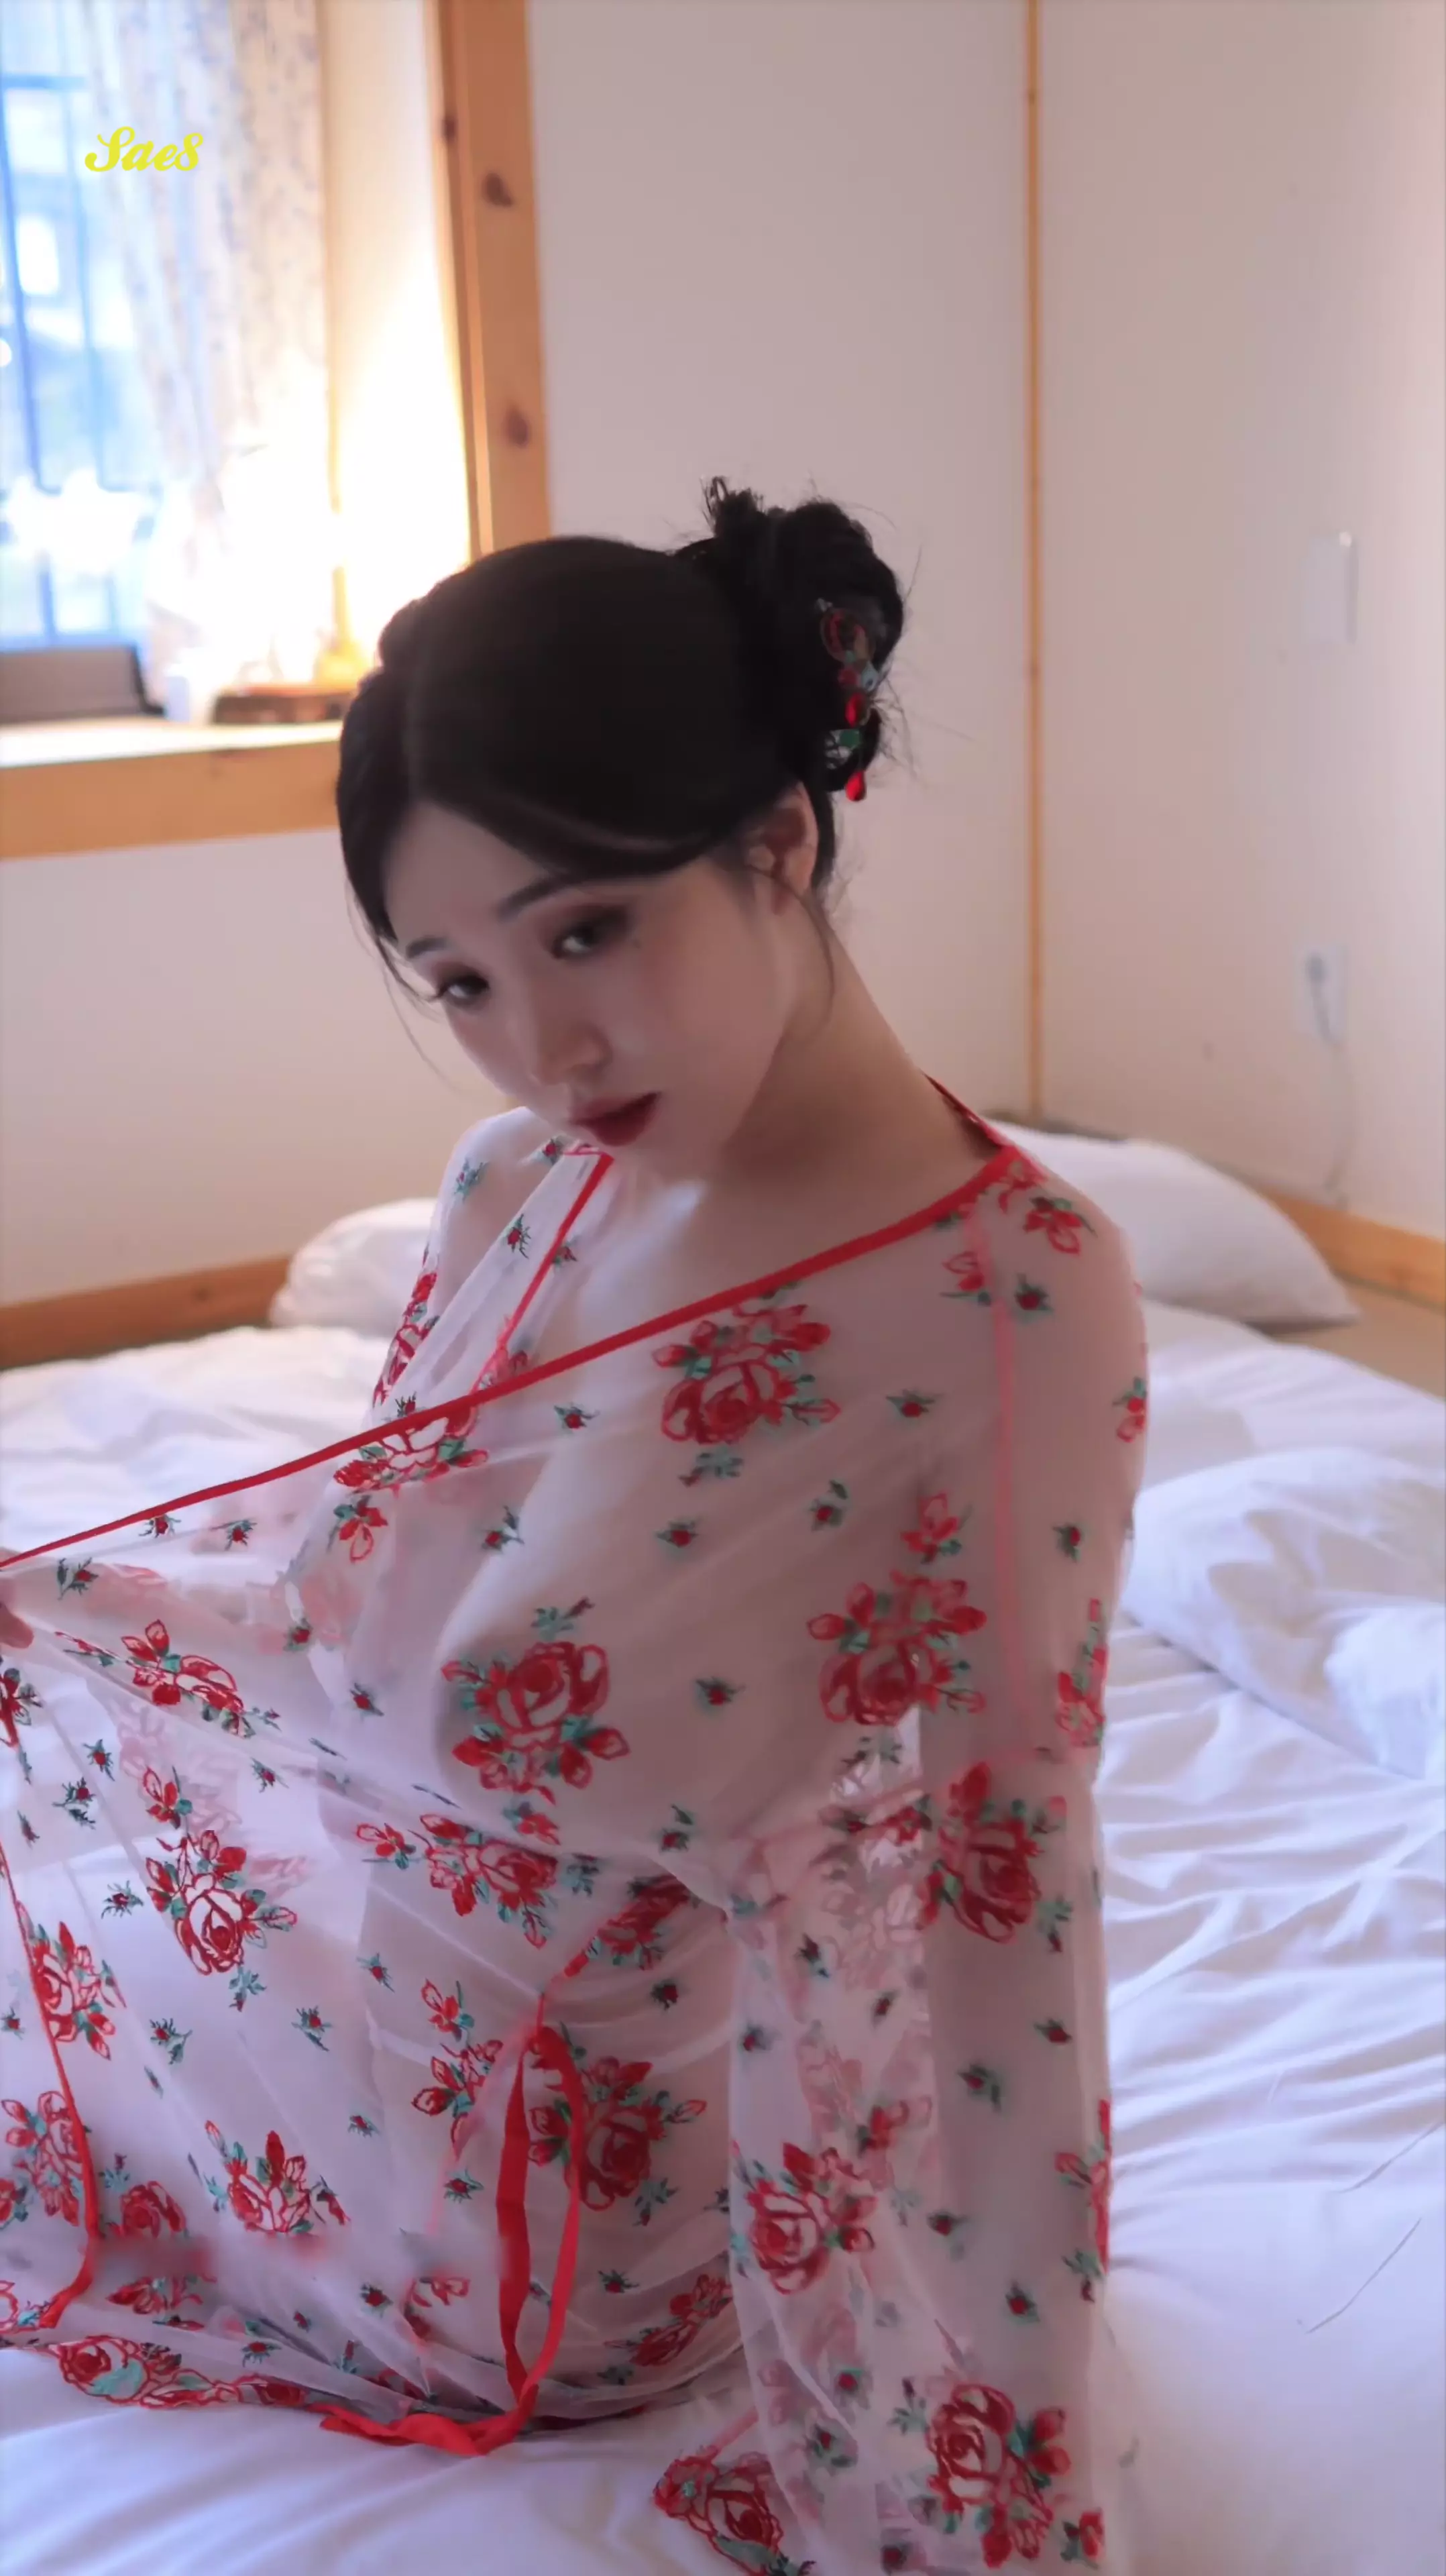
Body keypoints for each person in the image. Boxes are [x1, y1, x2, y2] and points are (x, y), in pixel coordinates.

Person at [0, 480, 1148, 2573]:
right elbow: (332, 1620)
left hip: (576, 2249)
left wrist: (996, 2463)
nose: (541, 1048)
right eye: (456, 977)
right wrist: (56, 1603)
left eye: (587, 931)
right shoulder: (518, 1187)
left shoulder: (1006, 1296)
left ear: (778, 844)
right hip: (369, 2044)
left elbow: (1006, 1893)